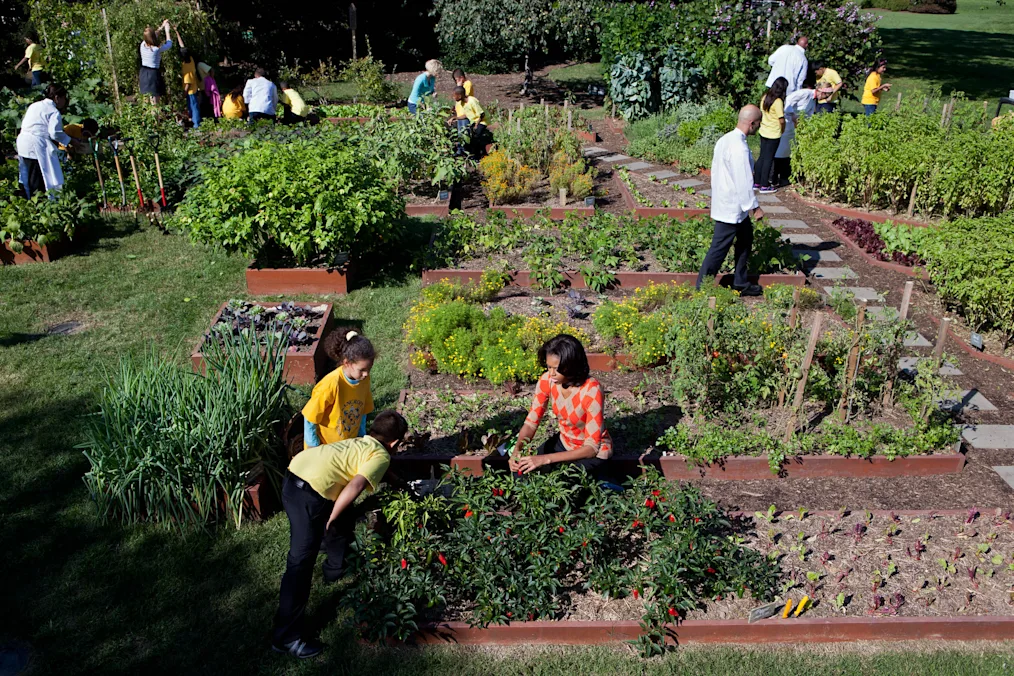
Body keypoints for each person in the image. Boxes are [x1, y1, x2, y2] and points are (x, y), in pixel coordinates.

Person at [272, 410, 407, 659]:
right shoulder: (381, 456)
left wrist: (399, 482)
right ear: (395, 443)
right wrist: (331, 517)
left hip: (294, 475)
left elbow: (370, 466)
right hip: (309, 495)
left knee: (341, 522)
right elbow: (355, 485)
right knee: (300, 563)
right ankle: (288, 638)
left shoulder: (362, 442)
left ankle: (335, 569)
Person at [510, 335, 612, 479]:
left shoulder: (591, 390)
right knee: (521, 472)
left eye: (556, 369)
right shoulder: (547, 381)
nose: (551, 373)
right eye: (548, 367)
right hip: (565, 442)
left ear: (571, 366)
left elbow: (592, 448)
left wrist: (546, 459)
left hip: (591, 453)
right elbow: (531, 422)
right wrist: (517, 450)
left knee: (560, 487)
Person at [695, 105, 766, 296]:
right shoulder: (739, 148)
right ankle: (701, 289)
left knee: (746, 239)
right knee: (718, 249)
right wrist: (755, 207)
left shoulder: (726, 139)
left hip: (727, 201)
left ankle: (740, 283)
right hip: (732, 206)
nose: (758, 128)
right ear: (752, 123)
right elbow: (744, 182)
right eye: (758, 124)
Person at [302, 329, 375, 449]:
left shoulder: (363, 380)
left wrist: (361, 436)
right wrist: (313, 447)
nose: (366, 374)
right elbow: (310, 417)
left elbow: (363, 411)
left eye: (369, 369)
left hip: (347, 446)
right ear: (347, 363)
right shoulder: (331, 384)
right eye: (362, 370)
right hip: (325, 447)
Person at [16, 83, 76, 198]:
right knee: (37, 177)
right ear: (57, 97)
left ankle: (26, 199)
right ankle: (39, 203)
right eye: (64, 98)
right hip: (35, 144)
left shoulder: (35, 105)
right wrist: (70, 141)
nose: (65, 101)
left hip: (23, 141)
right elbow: (54, 133)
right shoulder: (53, 111)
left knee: (25, 175)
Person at [773, 76, 817, 187]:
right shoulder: (804, 93)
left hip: (795, 126)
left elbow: (809, 114)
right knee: (781, 150)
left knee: (789, 151)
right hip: (788, 122)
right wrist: (792, 115)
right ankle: (774, 176)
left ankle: (785, 176)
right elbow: (789, 101)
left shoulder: (813, 100)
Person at [755, 76, 786, 194]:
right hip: (773, 133)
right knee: (769, 159)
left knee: (762, 157)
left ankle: (756, 182)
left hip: (764, 130)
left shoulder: (765, 97)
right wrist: (782, 129)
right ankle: (764, 185)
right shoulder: (778, 101)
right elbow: (781, 119)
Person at [447, 85, 488, 158]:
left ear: (459, 96)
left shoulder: (472, 101)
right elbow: (466, 115)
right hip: (473, 122)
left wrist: (476, 125)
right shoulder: (462, 103)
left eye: (454, 96)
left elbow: (482, 114)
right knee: (468, 136)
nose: (453, 97)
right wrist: (455, 118)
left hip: (481, 121)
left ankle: (477, 156)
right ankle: (468, 154)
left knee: (475, 137)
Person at [139, 19, 173, 105]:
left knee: (146, 99)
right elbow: (169, 44)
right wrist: (167, 31)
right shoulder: (156, 49)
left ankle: (146, 117)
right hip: (153, 74)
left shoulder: (142, 45)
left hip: (143, 73)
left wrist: (161, 26)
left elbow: (153, 36)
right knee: (155, 100)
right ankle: (156, 117)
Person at [175, 29, 201, 129]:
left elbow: (188, 83)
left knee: (193, 107)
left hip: (191, 90)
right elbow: (183, 46)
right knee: (193, 107)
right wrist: (177, 32)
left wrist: (184, 93)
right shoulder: (191, 59)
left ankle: (196, 124)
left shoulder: (187, 66)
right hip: (192, 89)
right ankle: (194, 122)